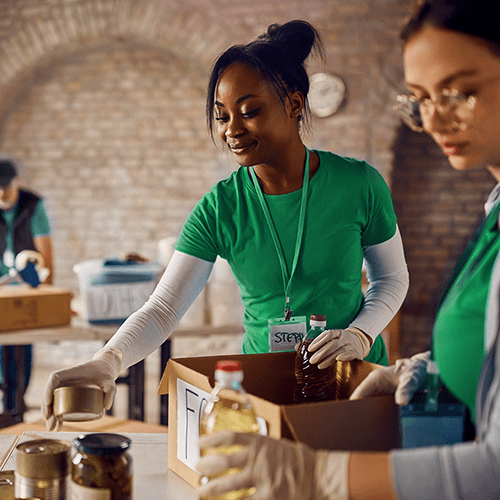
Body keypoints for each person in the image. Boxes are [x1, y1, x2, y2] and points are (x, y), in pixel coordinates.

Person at [196, 2, 500, 499]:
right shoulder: (494, 215)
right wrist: (425, 371)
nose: (435, 118)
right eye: (419, 99)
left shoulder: (356, 182)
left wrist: (321, 476)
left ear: (294, 104)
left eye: (459, 92)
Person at [42, 20, 408, 431]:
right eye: (222, 116)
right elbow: (163, 309)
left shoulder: (358, 184)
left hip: (354, 379)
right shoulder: (220, 207)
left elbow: (392, 279)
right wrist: (108, 359)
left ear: (293, 103)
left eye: (250, 112)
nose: (232, 130)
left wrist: (360, 334)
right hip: (264, 389)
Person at [0, 158, 53, 412]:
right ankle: (8, 399)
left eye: (7, 187)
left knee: (22, 344)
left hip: (26, 286)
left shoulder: (33, 206)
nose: (2, 193)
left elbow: (46, 257)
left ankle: (16, 398)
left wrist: (51, 300)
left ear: (17, 183)